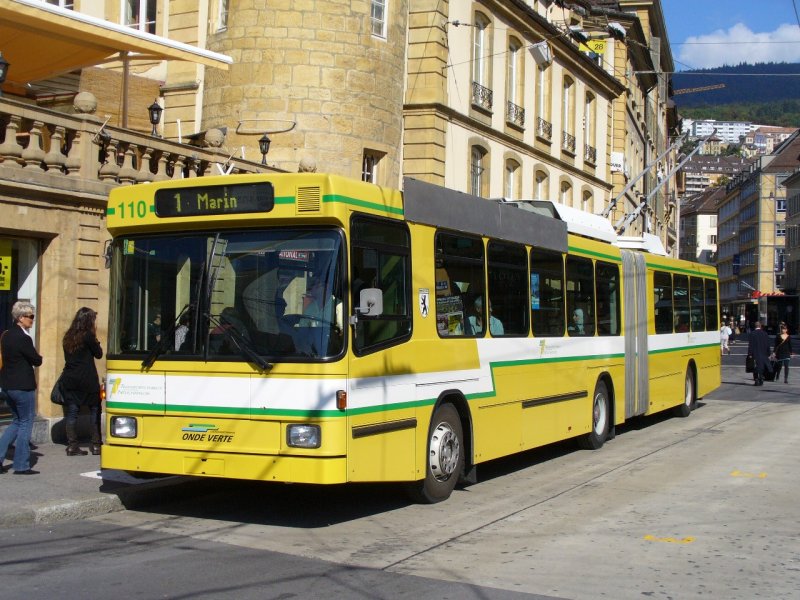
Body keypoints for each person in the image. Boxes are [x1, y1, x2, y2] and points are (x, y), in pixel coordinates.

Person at [0, 301, 43, 475]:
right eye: (30, 317)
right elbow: (36, 360)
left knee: (16, 422)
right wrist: (39, 357)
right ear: (20, 318)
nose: (32, 320)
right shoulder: (23, 338)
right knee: (26, 422)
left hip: (7, 385)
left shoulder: (6, 335)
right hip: (22, 386)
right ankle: (21, 464)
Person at [61, 307, 103, 456]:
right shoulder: (88, 336)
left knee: (72, 412)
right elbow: (98, 354)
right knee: (94, 409)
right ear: (88, 320)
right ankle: (96, 444)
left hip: (70, 378)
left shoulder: (68, 336)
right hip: (87, 378)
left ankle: (72, 445)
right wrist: (96, 340)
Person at [747, 321, 772, 386]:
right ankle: (761, 377)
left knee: (754, 366)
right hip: (763, 353)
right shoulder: (765, 334)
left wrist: (750, 353)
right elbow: (767, 344)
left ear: (755, 326)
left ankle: (756, 380)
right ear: (760, 326)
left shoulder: (752, 334)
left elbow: (751, 345)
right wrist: (769, 353)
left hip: (755, 353)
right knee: (762, 366)